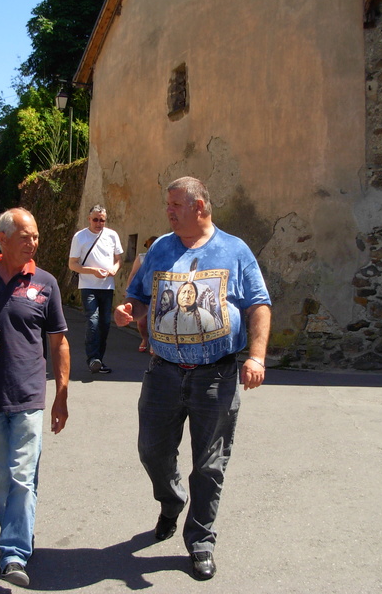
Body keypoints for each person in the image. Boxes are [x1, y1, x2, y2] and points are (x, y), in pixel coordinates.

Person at [114, 176, 271, 582]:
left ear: (199, 206)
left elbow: (258, 304)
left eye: (175, 205)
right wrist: (127, 309)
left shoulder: (235, 250)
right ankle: (170, 501)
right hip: (163, 372)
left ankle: (201, 540)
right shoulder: (161, 249)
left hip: (216, 375)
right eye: (168, 205)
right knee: (152, 450)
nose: (168, 212)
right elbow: (138, 296)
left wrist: (255, 356)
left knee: (210, 464)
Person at [0, 208, 70, 587]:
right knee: (4, 480)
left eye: (35, 236)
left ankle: (13, 553)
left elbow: (58, 341)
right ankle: (20, 535)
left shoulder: (46, 283)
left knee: (21, 476)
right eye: (25, 235)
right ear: (2, 239)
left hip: (29, 395)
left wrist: (61, 394)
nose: (33, 242)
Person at [68, 204, 123, 374]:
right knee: (93, 321)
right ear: (89, 219)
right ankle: (92, 359)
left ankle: (99, 359)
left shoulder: (112, 235)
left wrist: (115, 268)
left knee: (105, 324)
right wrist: (92, 271)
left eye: (102, 220)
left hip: (107, 286)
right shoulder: (80, 237)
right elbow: (72, 264)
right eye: (96, 220)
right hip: (88, 286)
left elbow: (118, 259)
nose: (99, 223)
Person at [126, 235, 157, 352]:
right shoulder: (142, 258)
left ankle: (154, 344)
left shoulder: (164, 259)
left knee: (155, 320)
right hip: (143, 293)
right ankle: (145, 339)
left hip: (157, 293)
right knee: (142, 321)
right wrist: (129, 291)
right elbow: (133, 274)